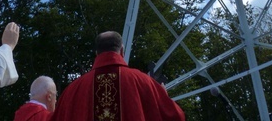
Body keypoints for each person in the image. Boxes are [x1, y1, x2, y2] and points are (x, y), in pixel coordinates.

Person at [51, 31, 185, 121]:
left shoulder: (72, 90)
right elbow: (176, 116)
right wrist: (163, 96)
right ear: (121, 50)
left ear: (97, 53)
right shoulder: (145, 82)